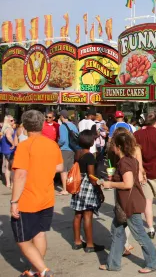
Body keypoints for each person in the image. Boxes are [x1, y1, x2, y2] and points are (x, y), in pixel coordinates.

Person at [98, 131, 156, 274]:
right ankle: (113, 263)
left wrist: (110, 184)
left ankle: (153, 262)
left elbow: (128, 184)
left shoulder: (124, 162)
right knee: (117, 230)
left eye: (113, 145)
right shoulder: (129, 160)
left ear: (119, 147)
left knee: (139, 234)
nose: (112, 147)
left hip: (130, 204)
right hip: (127, 203)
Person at [10, 110, 63, 277]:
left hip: (27, 200)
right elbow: (60, 167)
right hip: (46, 198)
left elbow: (20, 174)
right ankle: (34, 270)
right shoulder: (52, 144)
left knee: (23, 239)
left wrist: (14, 201)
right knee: (39, 234)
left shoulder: (25, 146)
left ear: (24, 126)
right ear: (42, 125)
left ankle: (44, 271)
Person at [107, 127, 147, 257]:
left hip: (118, 185)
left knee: (121, 215)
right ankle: (125, 244)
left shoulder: (112, 150)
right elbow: (140, 168)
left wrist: (111, 180)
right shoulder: (135, 149)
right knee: (129, 218)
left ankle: (123, 245)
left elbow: (110, 168)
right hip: (131, 187)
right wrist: (141, 178)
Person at [70, 130, 105, 253]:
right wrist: (100, 189)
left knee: (77, 214)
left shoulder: (78, 153)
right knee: (88, 215)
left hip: (77, 184)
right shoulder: (90, 156)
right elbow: (91, 176)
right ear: (91, 142)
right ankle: (90, 244)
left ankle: (77, 241)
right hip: (87, 186)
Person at [58, 110, 80, 196]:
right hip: (72, 149)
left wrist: (57, 144)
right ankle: (72, 186)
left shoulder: (62, 126)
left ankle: (64, 189)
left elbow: (62, 140)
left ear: (62, 116)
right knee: (70, 169)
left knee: (63, 170)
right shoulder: (73, 125)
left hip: (64, 149)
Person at [2, 115, 18, 188]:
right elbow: (8, 136)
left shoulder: (4, 129)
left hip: (5, 150)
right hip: (10, 150)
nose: (13, 121)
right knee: (12, 167)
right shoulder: (9, 129)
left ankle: (8, 183)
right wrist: (13, 144)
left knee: (7, 167)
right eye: (11, 120)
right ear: (7, 121)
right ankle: (12, 184)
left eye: (13, 120)